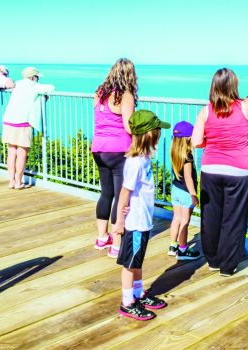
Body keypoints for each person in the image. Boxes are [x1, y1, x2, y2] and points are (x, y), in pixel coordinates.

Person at [192, 68, 248, 277]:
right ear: (233, 86)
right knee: (234, 218)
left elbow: (195, 141)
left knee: (211, 215)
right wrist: (246, 99)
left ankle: (212, 260)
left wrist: (210, 142)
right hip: (238, 171)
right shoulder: (245, 107)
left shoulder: (206, 110)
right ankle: (227, 266)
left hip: (211, 169)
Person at [115, 109, 170, 320]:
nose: (160, 134)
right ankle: (127, 301)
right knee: (130, 264)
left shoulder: (145, 158)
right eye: (157, 131)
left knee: (137, 261)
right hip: (135, 223)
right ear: (150, 134)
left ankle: (138, 293)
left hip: (144, 221)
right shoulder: (135, 162)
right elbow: (124, 192)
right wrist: (119, 222)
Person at [91, 58, 137, 259]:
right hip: (119, 150)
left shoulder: (99, 93)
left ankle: (102, 237)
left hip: (99, 148)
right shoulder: (125, 96)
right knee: (121, 197)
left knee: (106, 193)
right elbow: (128, 126)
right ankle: (117, 245)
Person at [2, 66, 54, 189]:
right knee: (22, 154)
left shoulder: (18, 85)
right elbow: (51, 87)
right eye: (37, 78)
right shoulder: (34, 86)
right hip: (23, 123)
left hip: (9, 120)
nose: (38, 80)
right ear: (32, 77)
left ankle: (11, 181)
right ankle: (18, 182)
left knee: (11, 153)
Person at [169, 120, 201, 260]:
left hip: (176, 189)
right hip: (186, 192)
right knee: (185, 221)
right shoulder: (187, 156)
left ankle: (172, 246)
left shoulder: (174, 152)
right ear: (188, 138)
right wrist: (194, 195)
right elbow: (188, 178)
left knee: (176, 218)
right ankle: (182, 250)